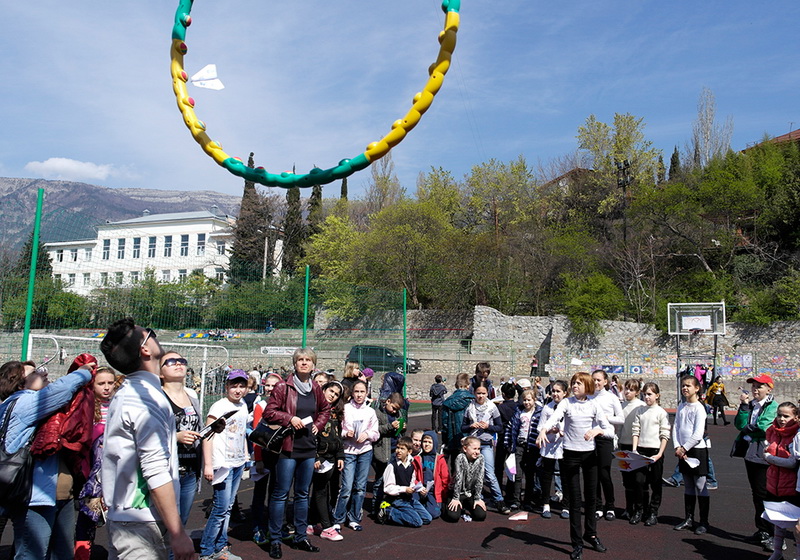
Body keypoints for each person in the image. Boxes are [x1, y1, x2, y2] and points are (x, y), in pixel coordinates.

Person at [99, 319, 196, 560]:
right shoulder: (144, 400)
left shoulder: (136, 392)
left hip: (133, 518)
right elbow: (154, 469)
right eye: (151, 333)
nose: (156, 337)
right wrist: (178, 533)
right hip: (140, 521)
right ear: (145, 349)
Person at [0, 359, 92, 560]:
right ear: (20, 382)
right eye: (36, 372)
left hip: (42, 493)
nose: (44, 373)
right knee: (31, 554)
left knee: (56, 554)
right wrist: (83, 372)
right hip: (31, 496)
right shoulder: (24, 402)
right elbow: (60, 391)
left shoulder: (13, 404)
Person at [537, 372, 613, 560]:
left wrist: (597, 430)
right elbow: (554, 418)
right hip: (570, 455)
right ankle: (577, 542)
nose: (575, 385)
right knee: (574, 500)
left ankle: (591, 534)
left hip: (589, 456)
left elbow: (609, 430)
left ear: (587, 386)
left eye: (579, 383)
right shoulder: (566, 403)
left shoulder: (593, 404)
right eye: (573, 383)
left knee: (591, 498)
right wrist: (544, 430)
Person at [264, 347, 331, 559]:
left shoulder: (315, 388)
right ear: (295, 363)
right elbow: (269, 412)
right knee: (280, 493)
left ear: (313, 364)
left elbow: (325, 409)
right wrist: (288, 418)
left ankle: (300, 536)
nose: (304, 363)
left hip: (308, 448)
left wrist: (319, 425)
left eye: (308, 360)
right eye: (300, 360)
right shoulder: (284, 386)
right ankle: (275, 539)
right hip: (288, 447)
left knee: (302, 494)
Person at [199, 370, 249, 560]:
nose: (237, 390)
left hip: (236, 462)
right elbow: (207, 436)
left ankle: (220, 546)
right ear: (226, 387)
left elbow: (242, 432)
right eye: (234, 386)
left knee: (227, 508)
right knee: (220, 508)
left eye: (241, 386)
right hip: (222, 464)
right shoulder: (219, 407)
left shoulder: (243, 405)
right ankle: (207, 551)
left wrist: (245, 455)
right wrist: (208, 464)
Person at [75, 366, 122, 560]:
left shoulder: (118, 405)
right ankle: (82, 554)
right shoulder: (87, 407)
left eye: (110, 383)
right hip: (91, 474)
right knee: (87, 518)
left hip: (115, 471)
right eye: (101, 383)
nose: (107, 388)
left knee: (116, 517)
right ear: (92, 385)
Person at [734, 374, 778, 551]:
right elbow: (739, 424)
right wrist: (744, 406)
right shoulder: (751, 405)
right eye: (754, 386)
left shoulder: (772, 406)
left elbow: (763, 427)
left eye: (759, 386)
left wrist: (748, 431)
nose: (755, 389)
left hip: (764, 455)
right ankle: (761, 529)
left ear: (769, 388)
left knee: (765, 494)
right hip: (750, 453)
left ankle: (771, 532)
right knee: (756, 493)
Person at [160, 352, 203, 527]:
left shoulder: (191, 394)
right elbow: (148, 434)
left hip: (191, 469)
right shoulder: (158, 397)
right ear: (161, 372)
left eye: (181, 361)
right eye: (170, 361)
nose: (178, 364)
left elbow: (197, 427)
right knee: (166, 524)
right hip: (168, 470)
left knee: (181, 522)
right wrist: (175, 437)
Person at [333, 380, 379, 533]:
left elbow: (376, 433)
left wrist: (367, 434)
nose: (359, 395)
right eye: (356, 392)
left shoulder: (370, 412)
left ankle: (353, 518)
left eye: (362, 392)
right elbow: (339, 431)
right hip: (348, 452)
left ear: (367, 393)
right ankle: (338, 519)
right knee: (346, 487)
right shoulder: (346, 409)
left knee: (360, 487)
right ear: (352, 393)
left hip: (365, 451)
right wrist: (347, 433)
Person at [461, 383, 510, 514]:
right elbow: (463, 428)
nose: (481, 396)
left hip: (486, 444)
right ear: (474, 394)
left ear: (487, 394)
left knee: (489, 474)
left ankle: (499, 500)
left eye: (483, 393)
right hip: (473, 444)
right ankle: (476, 498)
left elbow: (500, 427)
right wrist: (472, 425)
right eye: (478, 393)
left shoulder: (492, 408)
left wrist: (488, 426)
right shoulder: (470, 407)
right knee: (473, 474)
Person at [672, 375, 711, 535]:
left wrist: (684, 448)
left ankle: (703, 521)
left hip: (697, 450)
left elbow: (698, 434)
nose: (685, 388)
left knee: (700, 485)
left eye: (688, 385)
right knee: (687, 485)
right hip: (682, 449)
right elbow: (675, 427)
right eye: (683, 386)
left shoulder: (699, 408)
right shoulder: (682, 406)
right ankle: (688, 518)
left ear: (697, 388)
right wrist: (677, 446)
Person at [308, 381, 345, 542]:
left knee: (323, 490)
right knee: (320, 491)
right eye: (331, 391)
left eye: (336, 394)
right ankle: (326, 527)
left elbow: (338, 436)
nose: (332, 395)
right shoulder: (313, 409)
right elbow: (309, 436)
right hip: (317, 458)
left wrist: (340, 455)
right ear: (323, 390)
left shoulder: (334, 413)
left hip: (331, 458)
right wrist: (315, 456)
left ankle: (312, 523)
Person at [763, 401, 800, 560]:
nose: (782, 419)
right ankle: (777, 552)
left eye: (786, 416)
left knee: (796, 527)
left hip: (791, 486)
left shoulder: (796, 435)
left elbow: (793, 462)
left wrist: (770, 458)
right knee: (778, 520)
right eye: (779, 415)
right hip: (774, 483)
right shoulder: (773, 432)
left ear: (796, 417)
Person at [631, 382, 670, 527]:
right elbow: (636, 430)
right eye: (645, 394)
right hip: (641, 451)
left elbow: (665, 434)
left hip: (655, 452)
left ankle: (653, 512)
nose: (646, 397)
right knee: (639, 482)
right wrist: (635, 450)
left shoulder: (661, 412)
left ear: (657, 396)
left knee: (655, 483)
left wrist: (660, 453)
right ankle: (639, 510)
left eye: (650, 394)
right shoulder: (639, 410)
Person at [250, 372, 282, 545]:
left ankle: (273, 525)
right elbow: (256, 434)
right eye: (267, 385)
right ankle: (257, 527)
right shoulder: (261, 405)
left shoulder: (284, 406)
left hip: (278, 456)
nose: (270, 389)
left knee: (276, 492)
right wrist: (258, 459)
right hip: (264, 454)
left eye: (274, 385)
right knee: (260, 491)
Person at [590, 369, 624, 520]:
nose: (596, 383)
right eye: (594, 380)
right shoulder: (588, 396)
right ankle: (597, 506)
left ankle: (610, 505)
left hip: (606, 438)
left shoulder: (612, 398)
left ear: (605, 382)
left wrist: (606, 417)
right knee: (593, 474)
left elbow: (621, 418)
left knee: (604, 473)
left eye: (599, 380)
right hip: (590, 438)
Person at [376, 436, 432, 527]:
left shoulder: (411, 465)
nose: (398, 451)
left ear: (409, 452)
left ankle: (404, 513)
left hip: (408, 498)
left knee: (427, 518)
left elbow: (412, 482)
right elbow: (387, 488)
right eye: (398, 448)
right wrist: (404, 489)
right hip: (396, 499)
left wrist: (419, 488)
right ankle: (388, 511)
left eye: (402, 449)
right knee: (417, 522)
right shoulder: (392, 466)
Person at [504, 388, 541, 513]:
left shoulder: (538, 413)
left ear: (534, 400)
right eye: (524, 400)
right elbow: (510, 428)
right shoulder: (518, 413)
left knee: (530, 475)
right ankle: (516, 500)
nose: (526, 403)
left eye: (529, 400)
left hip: (532, 447)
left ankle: (528, 501)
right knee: (517, 474)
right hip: (519, 445)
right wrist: (508, 443)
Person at [536, 380, 569, 519]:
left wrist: (562, 431)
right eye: (553, 391)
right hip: (549, 446)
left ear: (565, 393)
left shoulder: (569, 408)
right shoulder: (547, 408)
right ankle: (545, 504)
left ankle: (566, 506)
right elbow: (540, 427)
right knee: (547, 475)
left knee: (565, 476)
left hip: (564, 446)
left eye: (558, 391)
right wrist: (550, 431)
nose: (555, 394)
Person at [370, 392, 406, 517]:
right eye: (393, 408)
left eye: (397, 409)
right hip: (381, 451)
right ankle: (375, 508)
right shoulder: (377, 413)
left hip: (394, 450)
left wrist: (402, 427)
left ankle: (388, 506)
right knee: (380, 480)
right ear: (388, 402)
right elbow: (375, 430)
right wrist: (390, 426)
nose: (394, 411)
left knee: (394, 480)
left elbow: (400, 430)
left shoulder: (398, 413)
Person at [617, 378, 646, 522]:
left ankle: (639, 509)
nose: (627, 392)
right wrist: (617, 441)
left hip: (637, 447)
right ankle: (628, 508)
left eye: (631, 389)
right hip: (624, 445)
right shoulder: (621, 405)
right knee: (626, 480)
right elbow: (620, 426)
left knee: (638, 480)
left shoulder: (641, 405)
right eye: (626, 388)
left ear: (637, 392)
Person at [441, 436, 488, 523]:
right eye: (474, 449)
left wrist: (477, 498)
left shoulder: (481, 458)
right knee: (453, 517)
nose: (477, 452)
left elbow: (480, 479)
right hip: (457, 492)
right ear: (465, 448)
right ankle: (446, 504)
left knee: (481, 516)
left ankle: (466, 505)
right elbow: (459, 478)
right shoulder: (460, 458)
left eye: (479, 449)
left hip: (470, 493)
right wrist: (456, 498)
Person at [414, 431, 450, 519]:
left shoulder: (439, 459)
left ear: (435, 443)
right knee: (412, 504)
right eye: (424, 441)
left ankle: (424, 508)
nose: (426, 444)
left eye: (430, 442)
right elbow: (413, 476)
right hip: (419, 490)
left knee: (435, 514)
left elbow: (445, 479)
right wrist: (419, 487)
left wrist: (444, 496)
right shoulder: (418, 458)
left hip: (433, 492)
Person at [441, 373, 475, 464]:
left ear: (456, 385)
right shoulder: (472, 400)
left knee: (454, 465)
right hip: (468, 437)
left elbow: (444, 423)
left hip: (452, 436)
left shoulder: (447, 402)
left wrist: (445, 439)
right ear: (468, 385)